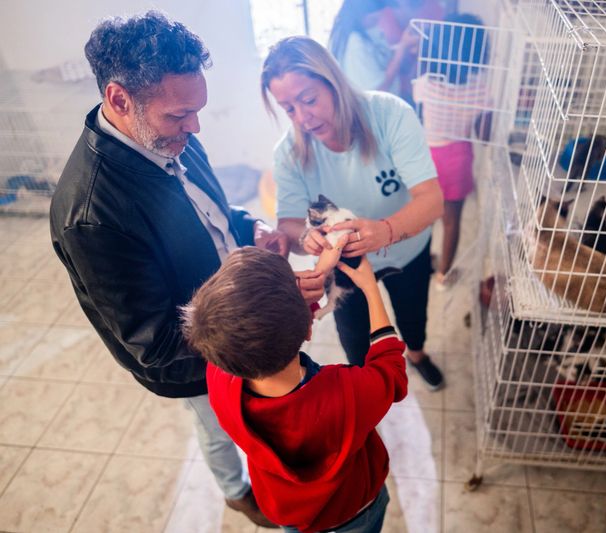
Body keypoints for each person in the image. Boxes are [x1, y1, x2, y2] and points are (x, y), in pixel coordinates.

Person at [48, 12, 325, 527]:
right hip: (195, 361)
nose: (195, 127)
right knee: (218, 426)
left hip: (234, 326)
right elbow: (153, 343)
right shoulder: (91, 216)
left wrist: (252, 229)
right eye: (180, 115)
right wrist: (264, 312)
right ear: (119, 100)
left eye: (196, 111)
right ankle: (235, 491)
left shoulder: (170, 136)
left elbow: (211, 211)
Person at [263, 36, 446, 390]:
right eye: (288, 109)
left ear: (333, 82)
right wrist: (305, 237)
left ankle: (417, 353)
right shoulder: (288, 153)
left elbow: (432, 200)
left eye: (309, 100)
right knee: (356, 343)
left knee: (412, 314)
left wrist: (387, 230)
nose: (302, 118)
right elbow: (288, 225)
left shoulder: (390, 114)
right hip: (345, 266)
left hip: (407, 247)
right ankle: (367, 388)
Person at [181, 246, 407, 532]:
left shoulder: (219, 374)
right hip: (353, 511)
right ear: (310, 330)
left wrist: (311, 280)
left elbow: (257, 326)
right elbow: (391, 372)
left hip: (288, 512)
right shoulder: (346, 393)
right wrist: (371, 289)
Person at [412, 13, 490, 289]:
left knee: (422, 217)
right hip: (458, 159)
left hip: (427, 157)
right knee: (451, 221)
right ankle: (444, 275)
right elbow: (484, 136)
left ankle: (420, 265)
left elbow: (417, 114)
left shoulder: (425, 84)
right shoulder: (481, 89)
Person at [328, 0, 419, 102]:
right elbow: (380, 88)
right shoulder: (354, 43)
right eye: (374, 19)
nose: (378, 20)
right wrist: (402, 47)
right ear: (361, 13)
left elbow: (376, 57)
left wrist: (402, 48)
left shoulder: (363, 30)